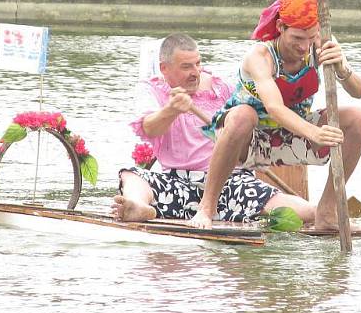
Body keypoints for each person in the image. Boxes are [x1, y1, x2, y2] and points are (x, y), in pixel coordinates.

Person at [188, 0, 361, 231]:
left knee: (358, 119)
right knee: (243, 116)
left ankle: (326, 213)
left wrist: (342, 67)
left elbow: (358, 91)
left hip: (293, 135)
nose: (304, 47)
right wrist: (314, 134)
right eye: (297, 38)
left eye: (310, 37)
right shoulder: (260, 56)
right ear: (281, 27)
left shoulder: (322, 43)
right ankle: (206, 208)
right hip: (249, 139)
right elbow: (274, 107)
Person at [112, 33, 315, 224]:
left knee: (306, 213)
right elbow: (149, 128)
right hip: (179, 183)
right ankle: (138, 207)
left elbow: (246, 126)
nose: (195, 72)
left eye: (198, 64)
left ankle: (321, 212)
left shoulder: (221, 87)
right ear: (164, 69)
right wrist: (171, 110)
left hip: (231, 182)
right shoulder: (151, 89)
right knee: (131, 175)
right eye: (186, 67)